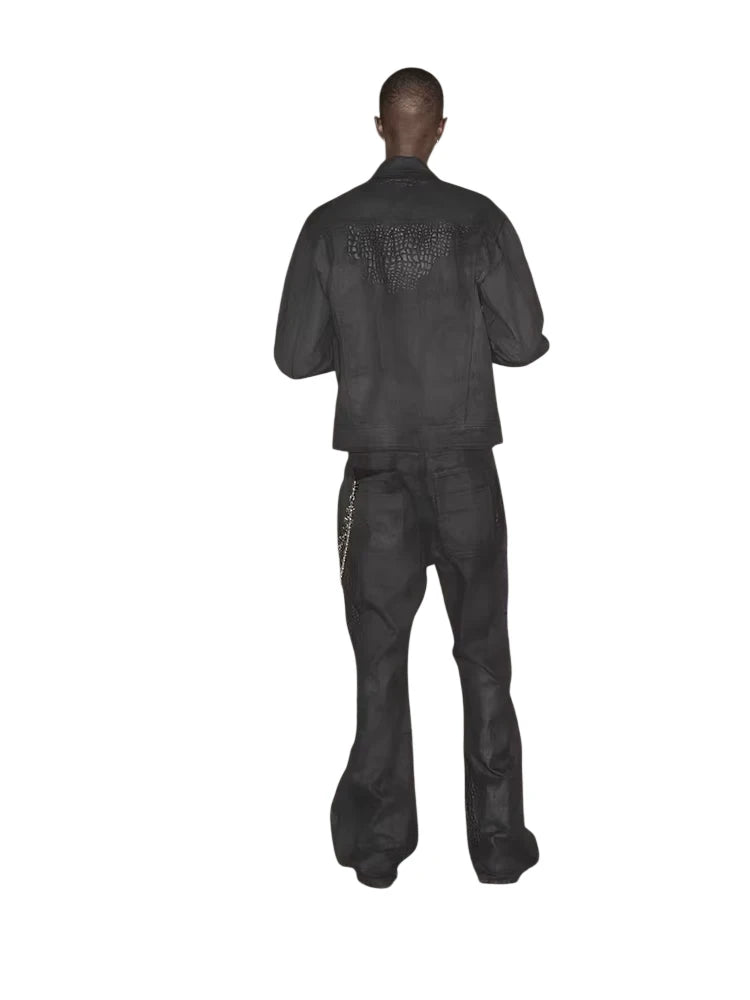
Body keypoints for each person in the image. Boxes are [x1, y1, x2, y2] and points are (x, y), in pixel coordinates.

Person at [274, 67, 548, 888]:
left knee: (379, 660)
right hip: (465, 472)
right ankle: (498, 845)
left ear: (379, 126)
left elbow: (295, 357)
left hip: (376, 476)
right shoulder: (478, 219)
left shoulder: (329, 226)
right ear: (438, 129)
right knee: (485, 655)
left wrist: (362, 341)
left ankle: (379, 845)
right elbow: (522, 342)